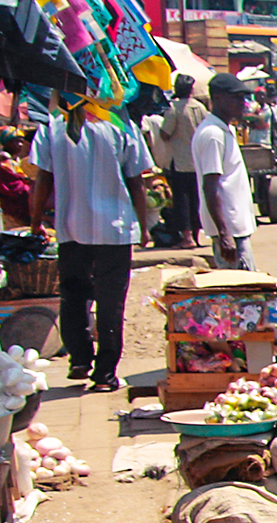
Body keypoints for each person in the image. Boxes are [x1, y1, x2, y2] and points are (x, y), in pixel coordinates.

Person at [26, 111, 151, 391]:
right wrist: (143, 226)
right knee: (110, 302)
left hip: (71, 226)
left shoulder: (53, 125)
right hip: (115, 229)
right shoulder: (121, 124)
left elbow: (43, 179)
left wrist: (35, 222)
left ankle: (80, 360)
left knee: (73, 294)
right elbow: (136, 180)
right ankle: (105, 374)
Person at [196, 73, 259, 270]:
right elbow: (210, 185)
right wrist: (224, 234)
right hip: (230, 231)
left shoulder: (225, 130)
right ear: (218, 99)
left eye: (244, 98)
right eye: (236, 98)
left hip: (237, 228)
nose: (243, 103)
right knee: (244, 291)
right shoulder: (213, 135)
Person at [157, 74, 207, 249]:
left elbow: (165, 133)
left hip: (179, 161)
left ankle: (186, 237)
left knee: (182, 200)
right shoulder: (200, 108)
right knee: (196, 199)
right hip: (198, 161)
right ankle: (196, 235)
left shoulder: (174, 109)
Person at [0, 130, 33, 229]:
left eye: (22, 141)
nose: (20, 145)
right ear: (7, 143)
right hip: (10, 201)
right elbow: (13, 184)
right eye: (16, 141)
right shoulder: (4, 158)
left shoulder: (15, 159)